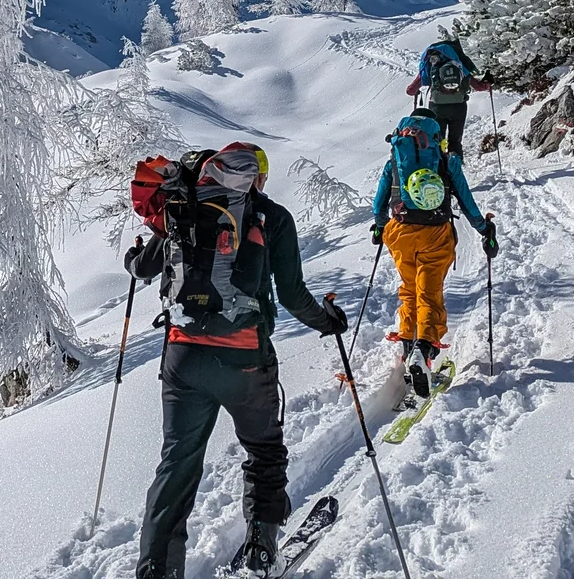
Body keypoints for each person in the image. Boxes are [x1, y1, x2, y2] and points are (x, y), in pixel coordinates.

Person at [125, 143, 347, 579]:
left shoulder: (182, 209)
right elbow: (292, 295)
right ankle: (263, 552)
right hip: (245, 356)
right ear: (253, 177)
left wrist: (136, 256)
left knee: (177, 463)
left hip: (182, 355)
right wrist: (328, 321)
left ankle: (156, 571)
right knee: (264, 451)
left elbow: (142, 268)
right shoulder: (272, 216)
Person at [370, 108, 497, 396]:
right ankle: (423, 350)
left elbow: (379, 204)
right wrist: (483, 228)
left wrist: (380, 228)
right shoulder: (445, 158)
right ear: (434, 132)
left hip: (399, 234)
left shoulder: (395, 158)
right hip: (435, 233)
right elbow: (465, 199)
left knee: (409, 289)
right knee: (429, 292)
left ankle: (407, 344)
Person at [405, 36, 491, 156]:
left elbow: (410, 91)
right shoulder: (460, 65)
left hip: (436, 107)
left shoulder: (432, 66)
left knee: (437, 140)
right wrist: (487, 83)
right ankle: (456, 167)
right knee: (455, 141)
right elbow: (479, 87)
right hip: (458, 107)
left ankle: (440, 167)